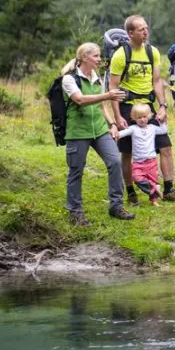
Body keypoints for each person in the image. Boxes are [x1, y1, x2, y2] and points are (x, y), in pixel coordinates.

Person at [108, 15, 175, 204]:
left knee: (165, 146)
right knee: (127, 152)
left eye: (146, 28)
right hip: (127, 106)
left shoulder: (153, 52)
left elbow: (157, 81)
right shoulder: (120, 55)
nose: (145, 32)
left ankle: (168, 190)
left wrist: (162, 106)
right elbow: (113, 89)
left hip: (148, 107)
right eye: (141, 29)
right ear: (130, 33)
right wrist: (117, 116)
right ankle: (131, 192)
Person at [60, 42, 134, 225]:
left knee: (115, 161)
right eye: (95, 56)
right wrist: (108, 95)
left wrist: (112, 124)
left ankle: (116, 206)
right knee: (76, 171)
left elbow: (102, 106)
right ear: (84, 57)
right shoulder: (69, 79)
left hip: (100, 129)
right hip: (78, 132)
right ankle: (75, 213)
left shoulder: (96, 77)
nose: (99, 59)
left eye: (99, 56)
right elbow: (80, 100)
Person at [116, 103, 170, 206]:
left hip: (151, 161)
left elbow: (163, 130)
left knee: (152, 180)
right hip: (138, 162)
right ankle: (155, 190)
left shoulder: (152, 128)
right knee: (137, 178)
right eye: (139, 117)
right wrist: (115, 134)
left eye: (144, 117)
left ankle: (154, 200)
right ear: (134, 118)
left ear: (149, 116)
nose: (142, 120)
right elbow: (123, 133)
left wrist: (162, 122)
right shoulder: (133, 128)